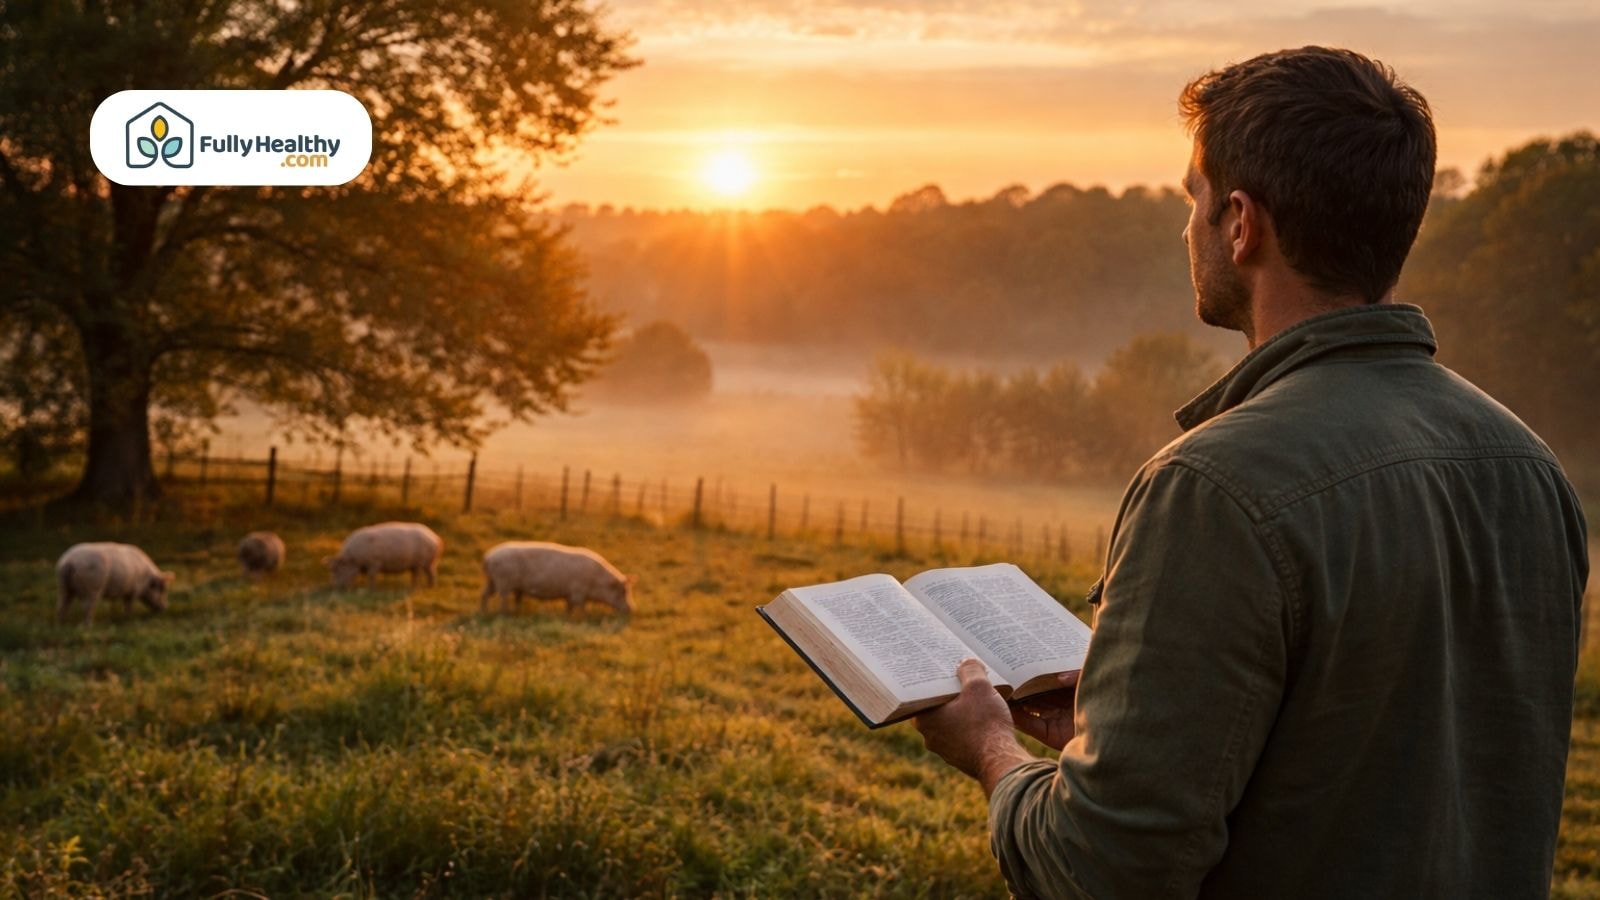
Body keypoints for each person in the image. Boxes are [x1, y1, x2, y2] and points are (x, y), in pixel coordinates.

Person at [913, 46, 1590, 899]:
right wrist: (1140, 711)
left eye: (1190, 199)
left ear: (1241, 223)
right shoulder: (1529, 466)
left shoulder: (1213, 488)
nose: (1184, 227)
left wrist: (990, 748)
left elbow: (1101, 871)